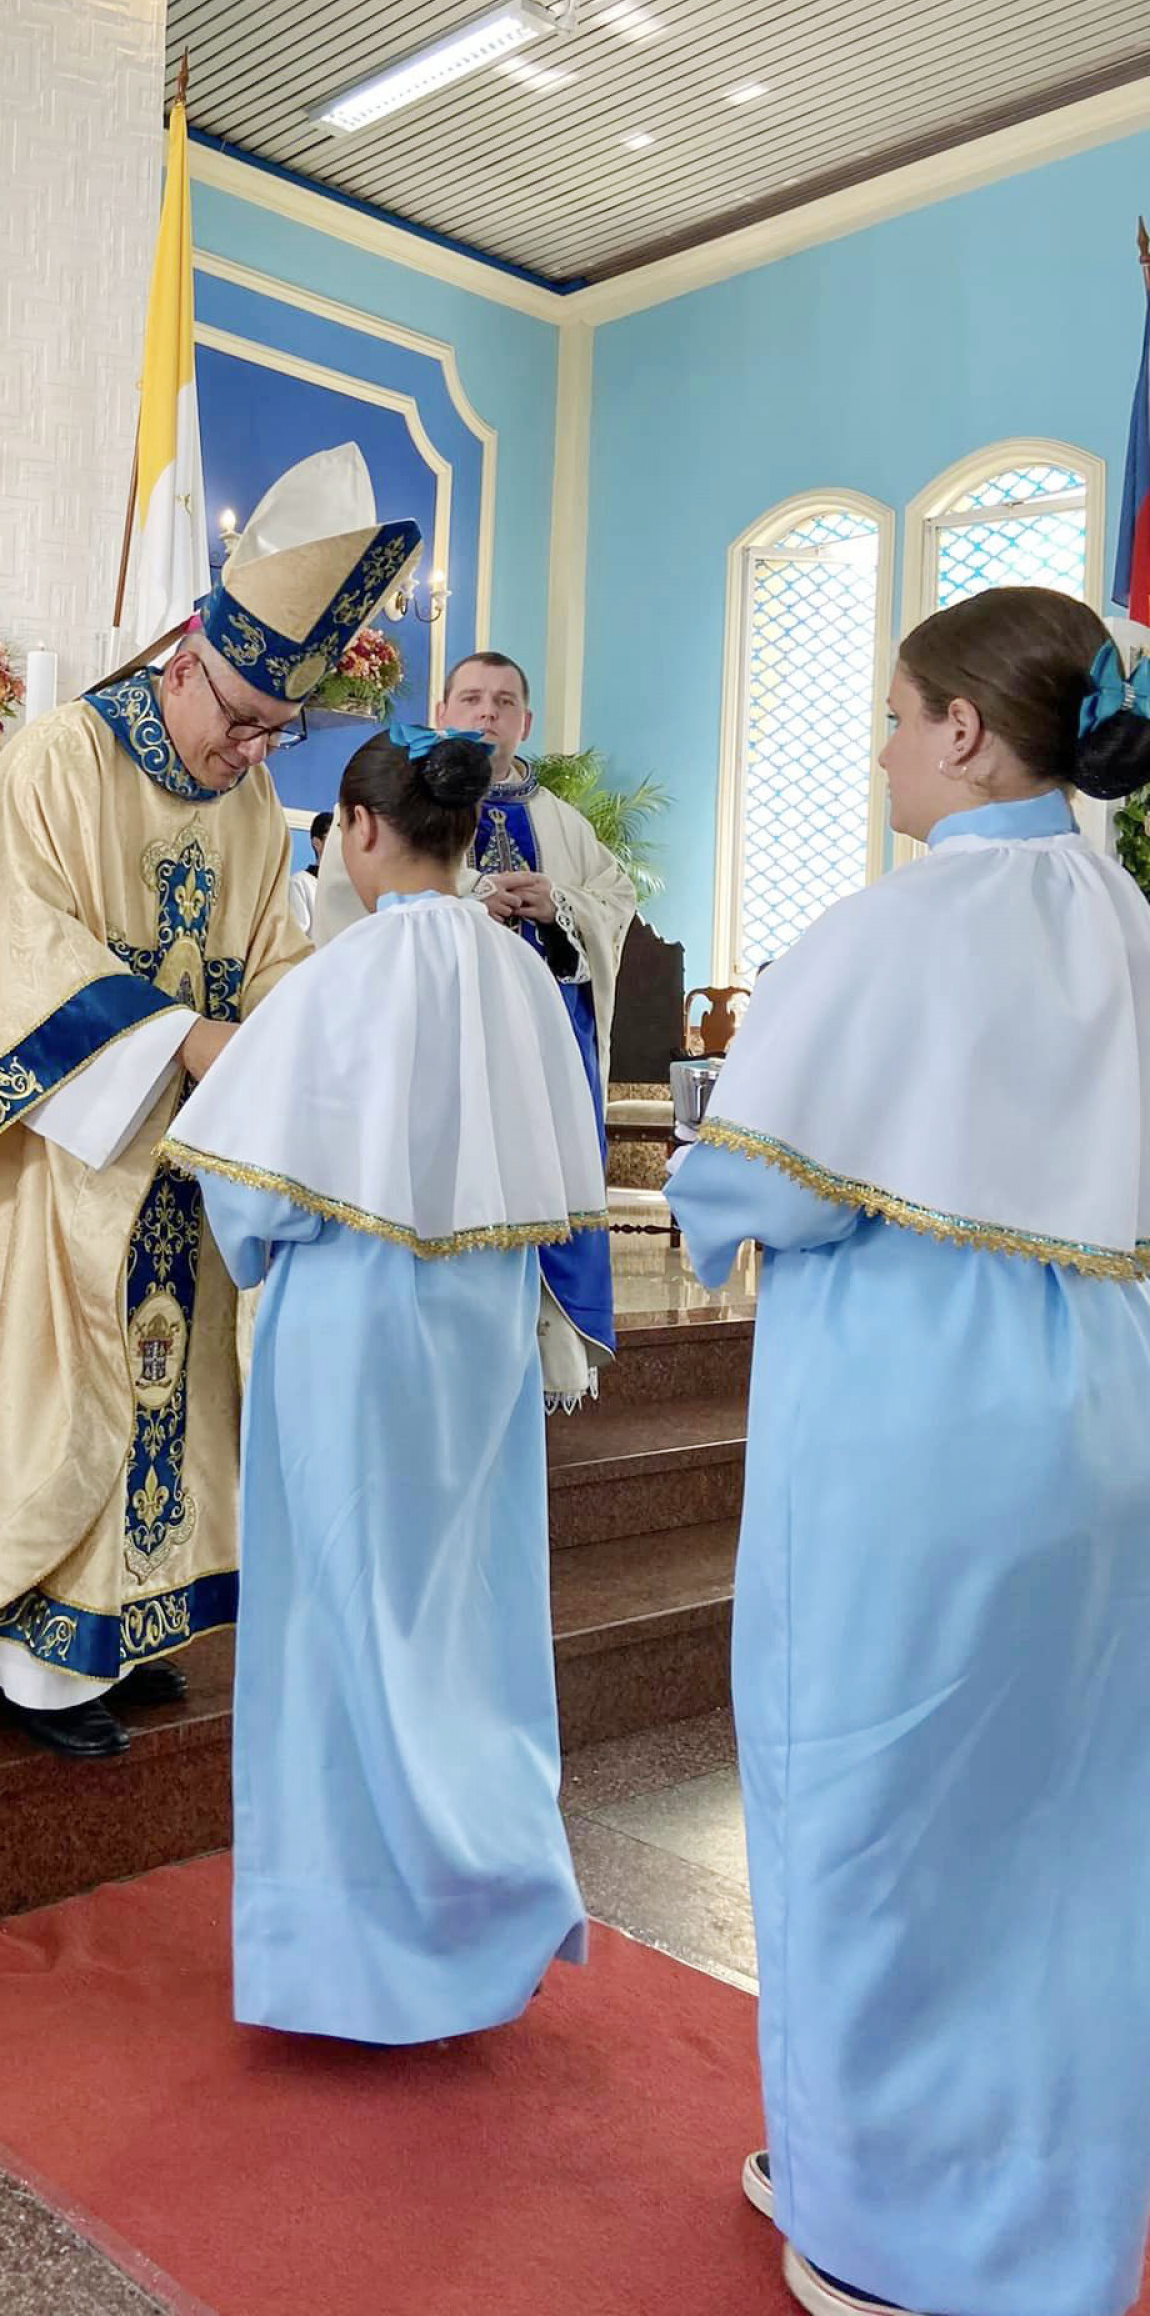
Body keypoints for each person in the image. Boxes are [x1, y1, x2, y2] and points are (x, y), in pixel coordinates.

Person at [664, 586, 1150, 2316]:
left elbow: (751, 1182)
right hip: (1102, 1425)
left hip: (913, 1433)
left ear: (962, 728)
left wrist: (697, 1188)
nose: (879, 744)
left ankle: (882, 2220)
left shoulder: (898, 927)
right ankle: (1051, 2218)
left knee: (866, 1797)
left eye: (891, 712)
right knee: (1069, 1819)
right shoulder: (1128, 917)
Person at [0, 444, 418, 1757]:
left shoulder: (257, 806)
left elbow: (276, 955)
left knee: (174, 1394)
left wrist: (289, 1032)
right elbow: (14, 954)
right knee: (58, 1388)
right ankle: (20, 1654)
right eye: (245, 719)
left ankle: (124, 1628)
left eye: (281, 731)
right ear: (184, 660)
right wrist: (181, 1037)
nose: (257, 750)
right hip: (59, 1154)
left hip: (186, 1154)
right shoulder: (56, 762)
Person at [164, 721, 603, 2042]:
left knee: (342, 1621)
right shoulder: (519, 975)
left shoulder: (334, 981)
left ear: (358, 831)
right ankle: (484, 1904)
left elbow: (248, 1195)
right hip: (476, 1341)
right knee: (460, 1610)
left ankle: (354, 1958)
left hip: (349, 1335)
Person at [315, 650, 636, 1402]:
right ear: (443, 712)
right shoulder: (397, 800)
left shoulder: (562, 821)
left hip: (541, 1043)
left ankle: (541, 1354)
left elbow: (613, 898)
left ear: (526, 722)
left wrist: (561, 904)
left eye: (503, 701)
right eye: (471, 699)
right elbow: (356, 901)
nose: (487, 713)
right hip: (446, 1047)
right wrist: (469, 896)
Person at [287, 809, 331, 939]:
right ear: (317, 843)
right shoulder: (300, 884)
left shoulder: (352, 887)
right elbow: (297, 939)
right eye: (333, 839)